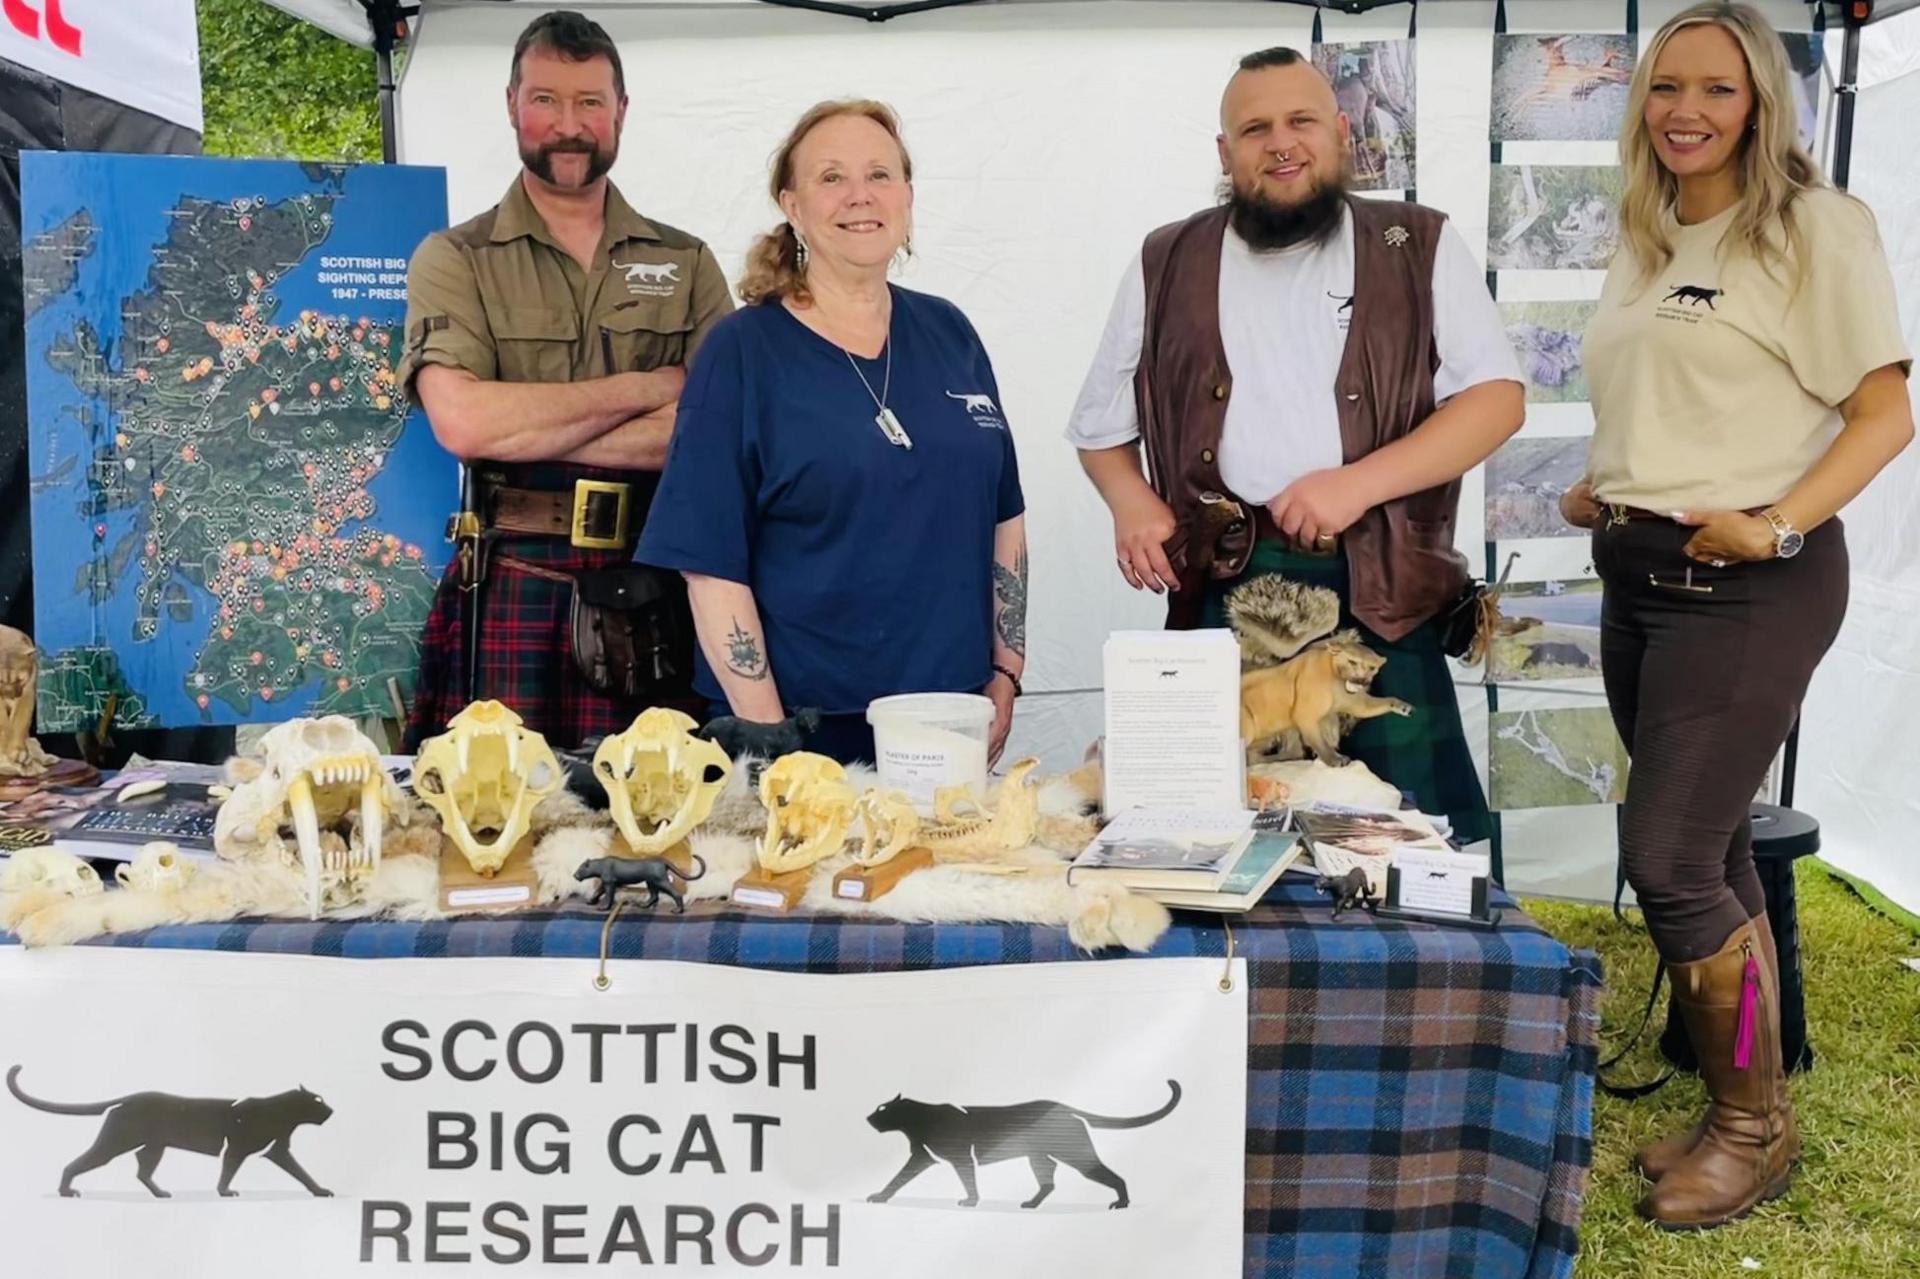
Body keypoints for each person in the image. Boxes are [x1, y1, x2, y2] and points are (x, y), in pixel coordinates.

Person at [1560, 2, 1912, 1230]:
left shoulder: (1815, 227)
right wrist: (1615, 474)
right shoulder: (1646, 232)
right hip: (1638, 573)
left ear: (1762, 100)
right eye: (1666, 89)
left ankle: (1749, 1129)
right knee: (1709, 857)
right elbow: (1677, 392)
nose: (1686, 112)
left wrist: (1780, 522)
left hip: (1746, 584)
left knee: (1666, 860)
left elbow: (1882, 412)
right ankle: (1745, 1101)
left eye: (1716, 89)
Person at [1067, 47, 1524, 842]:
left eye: (1301, 121)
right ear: (1224, 152)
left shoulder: (1419, 244)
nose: (1281, 143)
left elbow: (1496, 401)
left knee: (1414, 851)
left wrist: (1354, 485)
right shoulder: (1164, 258)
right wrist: (1129, 500)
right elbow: (1099, 432)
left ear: (1342, 132)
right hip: (1223, 587)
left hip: (1381, 590)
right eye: (1255, 129)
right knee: (1226, 832)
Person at [636, 101, 1026, 766]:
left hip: (949, 715)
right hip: (805, 727)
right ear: (792, 204)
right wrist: (770, 738)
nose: (860, 196)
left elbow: (1005, 517)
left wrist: (1007, 669)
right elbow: (709, 562)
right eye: (831, 177)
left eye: (880, 174)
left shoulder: (952, 333)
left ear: (906, 195)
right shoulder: (742, 351)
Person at [397, 11, 733, 750]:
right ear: (512, 104)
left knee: (661, 818)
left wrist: (537, 424)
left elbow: (720, 436)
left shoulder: (689, 263)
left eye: (589, 102)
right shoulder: (455, 258)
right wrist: (651, 386)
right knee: (493, 819)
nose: (568, 124)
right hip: (514, 575)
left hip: (658, 582)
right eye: (546, 100)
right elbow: (466, 426)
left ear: (621, 111)